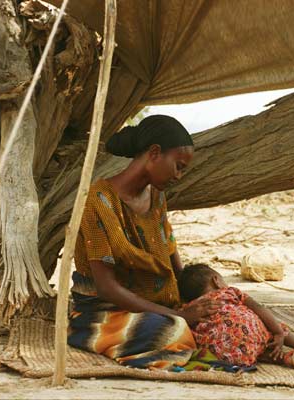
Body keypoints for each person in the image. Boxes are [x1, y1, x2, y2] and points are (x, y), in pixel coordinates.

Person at [67, 115, 221, 370]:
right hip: (104, 311)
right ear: (154, 153)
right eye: (178, 166)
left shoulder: (157, 198)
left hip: (155, 304)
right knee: (171, 330)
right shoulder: (98, 200)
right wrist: (181, 315)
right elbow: (106, 288)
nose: (179, 176)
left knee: (217, 318)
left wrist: (192, 303)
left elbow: (171, 259)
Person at [177, 263, 294, 368]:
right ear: (216, 281)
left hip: (220, 355)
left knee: (247, 347)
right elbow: (258, 308)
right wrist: (277, 332)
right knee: (274, 329)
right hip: (251, 335)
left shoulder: (190, 309)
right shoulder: (230, 291)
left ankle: (283, 358)